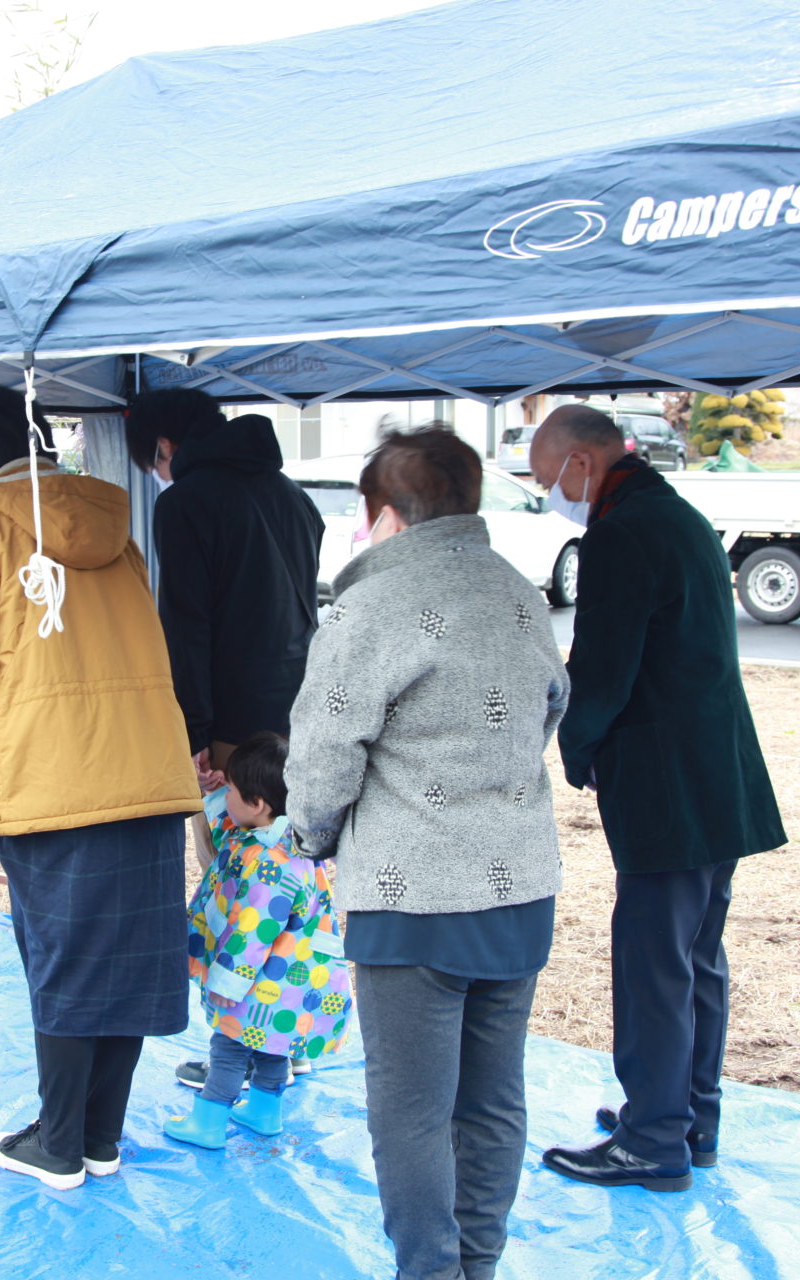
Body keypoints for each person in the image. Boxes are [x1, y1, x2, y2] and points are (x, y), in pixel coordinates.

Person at [287, 426, 568, 1280]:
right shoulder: (520, 591)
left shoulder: (370, 608)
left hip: (413, 901)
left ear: (383, 518)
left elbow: (325, 754)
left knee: (409, 1113)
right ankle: (474, 1266)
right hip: (519, 887)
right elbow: (551, 707)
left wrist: (309, 835)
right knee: (492, 1101)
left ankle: (429, 1272)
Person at [0, 384, 200, 1191]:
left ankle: (57, 1145)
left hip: (53, 778)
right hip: (147, 771)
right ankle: (97, 1136)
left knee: (64, 965)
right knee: (128, 964)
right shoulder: (116, 521)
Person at [529, 404, 786, 1193]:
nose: (550, 495)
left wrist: (571, 747)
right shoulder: (680, 514)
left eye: (549, 480)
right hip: (717, 775)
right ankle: (687, 1114)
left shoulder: (623, 532)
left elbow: (602, 668)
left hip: (668, 784)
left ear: (582, 462)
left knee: (654, 965)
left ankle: (652, 1139)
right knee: (695, 956)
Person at [163, 732, 351, 1150]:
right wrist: (212, 793)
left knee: (229, 1046)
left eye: (230, 789)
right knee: (272, 1047)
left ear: (259, 803)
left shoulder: (272, 864)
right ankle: (265, 1112)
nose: (226, 795)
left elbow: (253, 931)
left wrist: (229, 983)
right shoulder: (280, 837)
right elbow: (230, 827)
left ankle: (209, 1122)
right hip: (288, 987)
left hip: (259, 981)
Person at [126, 388, 323, 778]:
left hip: (233, 723)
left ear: (163, 445)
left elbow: (186, 624)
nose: (157, 475)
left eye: (152, 465)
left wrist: (193, 729)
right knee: (290, 836)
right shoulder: (293, 493)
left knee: (234, 837)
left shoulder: (184, 502)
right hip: (300, 706)